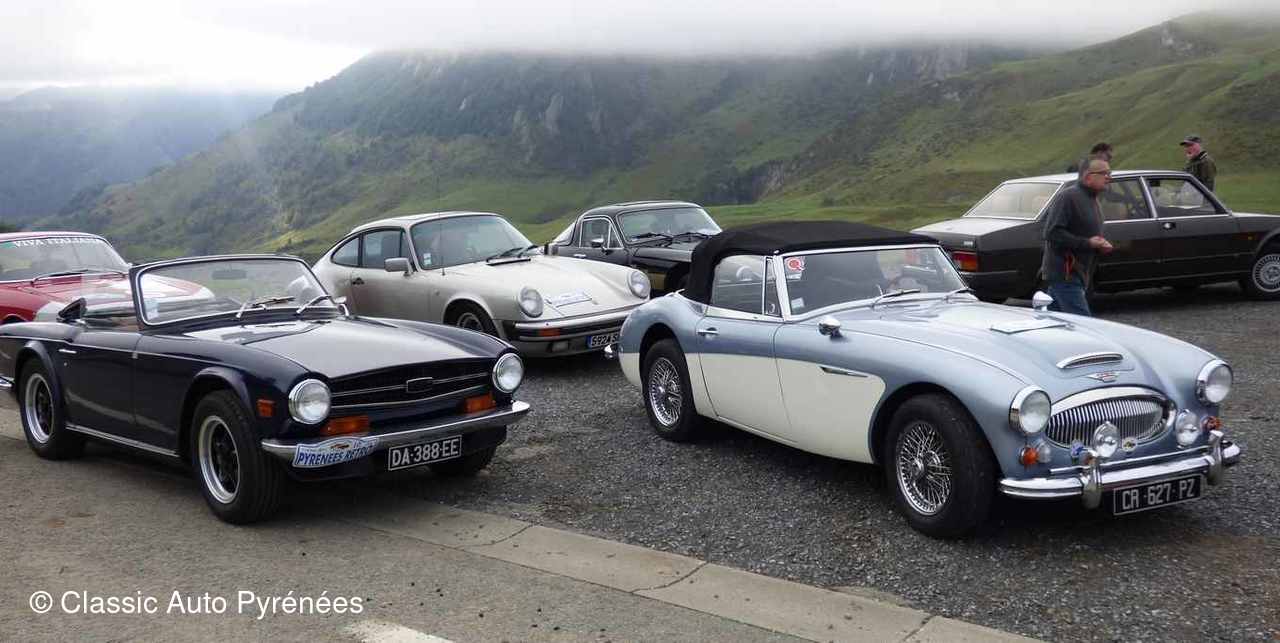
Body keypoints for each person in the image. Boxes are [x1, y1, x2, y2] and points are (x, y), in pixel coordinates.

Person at [1041, 158, 1114, 316]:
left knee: (1055, 321)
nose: (1109, 177)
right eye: (1104, 173)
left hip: (1079, 274)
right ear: (1088, 177)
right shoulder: (1068, 197)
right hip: (1066, 274)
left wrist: (1099, 244)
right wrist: (1088, 243)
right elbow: (1052, 233)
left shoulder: (1092, 199)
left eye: (1109, 173)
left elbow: (1084, 232)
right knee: (1083, 323)